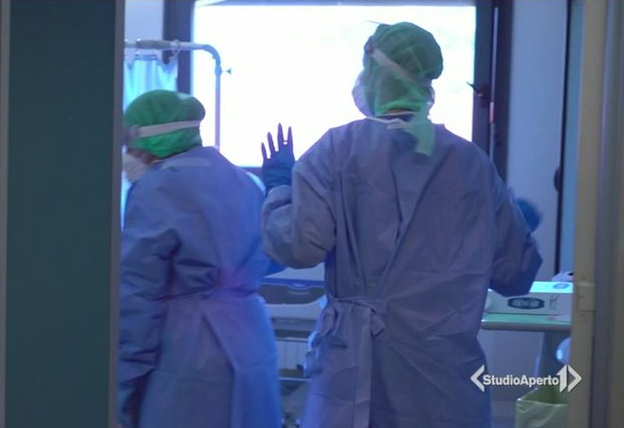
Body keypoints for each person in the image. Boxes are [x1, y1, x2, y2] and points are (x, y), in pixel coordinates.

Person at [260, 22, 542, 427]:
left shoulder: (336, 151)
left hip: (357, 372)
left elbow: (300, 246)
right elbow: (515, 274)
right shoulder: (472, 164)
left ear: (375, 75)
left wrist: (280, 189)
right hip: (444, 379)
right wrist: (511, 227)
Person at [118, 90, 281, 428]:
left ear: (150, 139)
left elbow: (138, 294)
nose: (128, 156)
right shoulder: (246, 182)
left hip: (190, 352)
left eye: (130, 145)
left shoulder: (157, 189)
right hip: (252, 338)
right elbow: (271, 258)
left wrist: (122, 383)